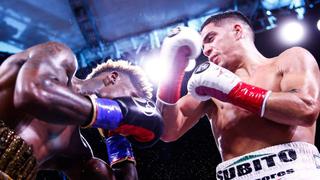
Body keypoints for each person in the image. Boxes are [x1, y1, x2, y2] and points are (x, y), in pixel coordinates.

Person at [156, 11, 320, 180]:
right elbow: (168, 131)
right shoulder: (210, 87)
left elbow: (306, 109)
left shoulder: (288, 59)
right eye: (203, 46)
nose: (205, 50)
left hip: (294, 172)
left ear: (237, 31)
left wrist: (235, 91)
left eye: (210, 38)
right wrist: (172, 72)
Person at [0, 42, 163, 179]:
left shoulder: (75, 150)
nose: (130, 115)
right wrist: (118, 113)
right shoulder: (62, 57)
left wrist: (118, 140)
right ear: (113, 78)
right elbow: (32, 93)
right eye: (132, 98)